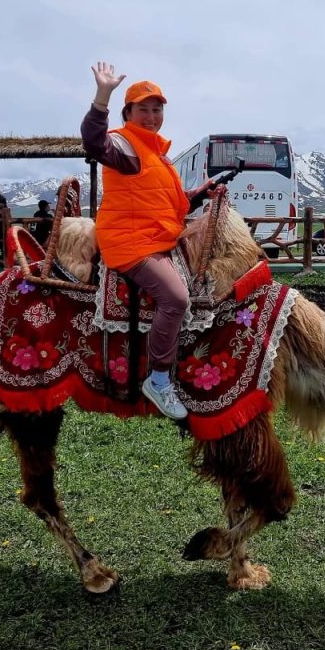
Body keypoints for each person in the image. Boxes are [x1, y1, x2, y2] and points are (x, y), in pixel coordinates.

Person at [81, 61, 216, 420]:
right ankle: (158, 380)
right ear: (128, 113)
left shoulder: (156, 153)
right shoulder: (124, 144)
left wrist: (200, 194)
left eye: (157, 110)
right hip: (132, 243)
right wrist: (102, 96)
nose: (152, 116)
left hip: (155, 238)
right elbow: (94, 142)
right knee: (176, 298)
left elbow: (169, 202)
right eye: (144, 109)